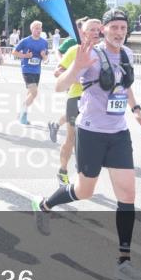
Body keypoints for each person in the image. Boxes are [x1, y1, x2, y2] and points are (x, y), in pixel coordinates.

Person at [32, 9, 141, 280]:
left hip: (119, 133)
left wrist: (137, 111)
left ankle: (124, 262)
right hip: (91, 132)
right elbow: (61, 86)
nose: (119, 32)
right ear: (104, 30)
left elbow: (126, 86)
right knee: (84, 191)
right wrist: (76, 66)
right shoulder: (90, 55)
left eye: (123, 27)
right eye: (114, 27)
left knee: (128, 194)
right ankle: (46, 205)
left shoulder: (127, 54)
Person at [49, 18, 100, 186]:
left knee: (90, 140)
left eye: (98, 29)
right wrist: (76, 76)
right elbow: (58, 72)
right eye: (91, 29)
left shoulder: (104, 52)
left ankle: (82, 172)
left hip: (96, 101)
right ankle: (62, 171)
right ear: (84, 33)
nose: (96, 32)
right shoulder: (75, 49)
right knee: (72, 139)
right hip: (76, 98)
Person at [12, 21, 48, 125]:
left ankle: (23, 117)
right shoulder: (25, 41)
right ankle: (21, 111)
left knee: (30, 93)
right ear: (32, 29)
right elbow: (14, 52)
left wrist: (43, 56)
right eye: (36, 28)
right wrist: (25, 56)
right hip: (26, 69)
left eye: (40, 28)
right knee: (34, 92)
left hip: (37, 70)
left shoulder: (44, 42)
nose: (38, 30)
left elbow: (46, 58)